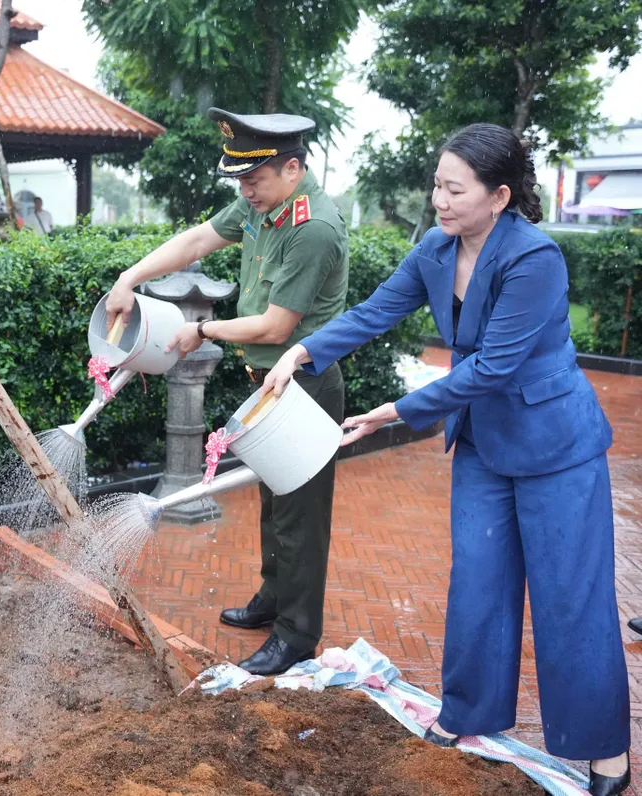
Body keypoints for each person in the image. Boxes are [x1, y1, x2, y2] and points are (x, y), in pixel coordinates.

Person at [262, 123, 631, 796]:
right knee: (478, 586)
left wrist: (391, 413)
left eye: (454, 189)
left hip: (556, 449)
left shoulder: (535, 258)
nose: (439, 199)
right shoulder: (434, 249)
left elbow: (492, 366)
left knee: (569, 601)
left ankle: (605, 752)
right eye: (436, 184)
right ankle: (468, 712)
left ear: (500, 195)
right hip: (484, 444)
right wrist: (302, 352)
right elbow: (377, 311)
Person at [105, 107, 350, 676]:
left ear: (292, 168)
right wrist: (128, 279)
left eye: (254, 180)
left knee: (300, 516)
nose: (246, 192)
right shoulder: (263, 200)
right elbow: (197, 239)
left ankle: (296, 633)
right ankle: (274, 597)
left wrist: (203, 329)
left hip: (306, 386)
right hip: (268, 382)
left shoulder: (312, 228)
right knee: (273, 502)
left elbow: (273, 327)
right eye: (240, 180)